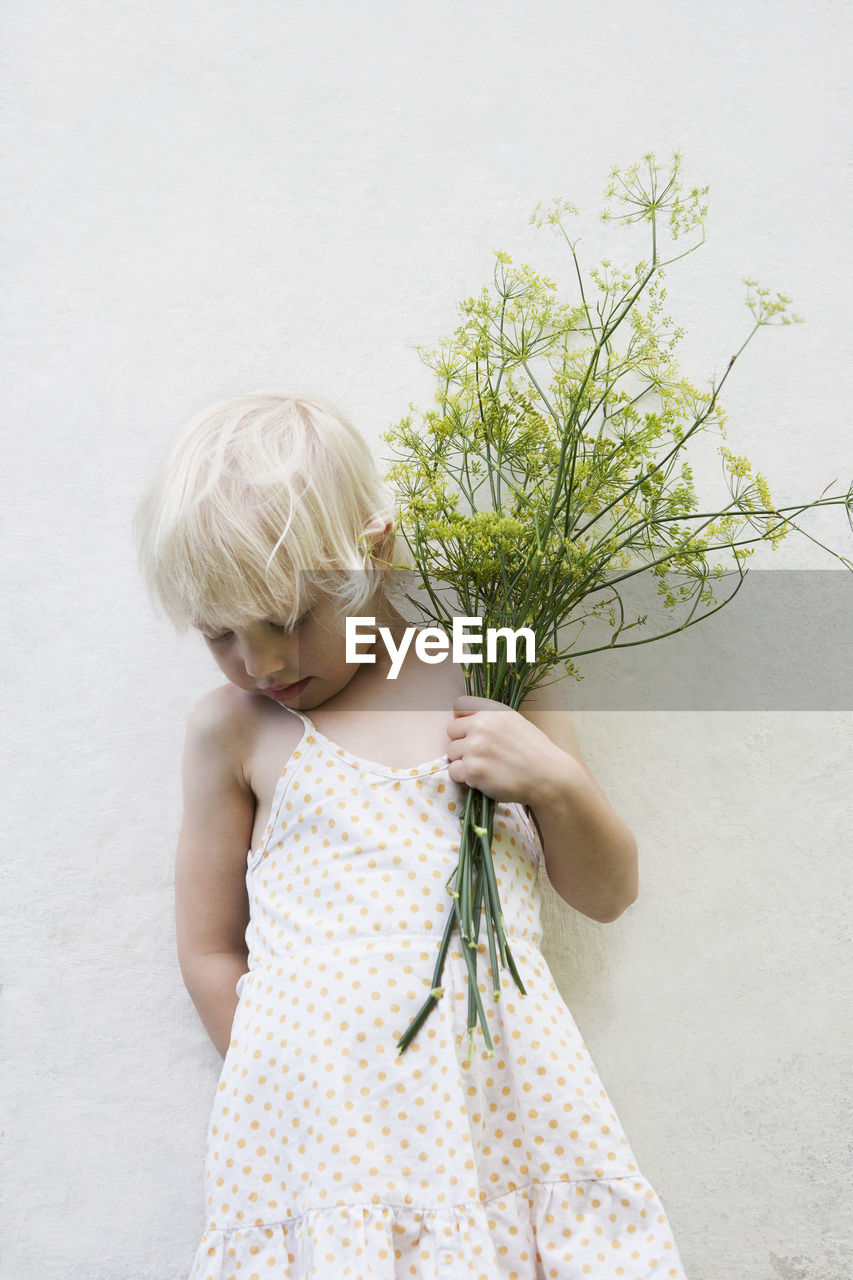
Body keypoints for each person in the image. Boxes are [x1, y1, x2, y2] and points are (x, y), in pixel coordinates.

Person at [135, 391, 688, 1279]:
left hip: (492, 1105)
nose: (263, 664)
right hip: (325, 1130)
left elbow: (606, 891)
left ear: (375, 554)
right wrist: (275, 1078)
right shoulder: (234, 730)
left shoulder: (495, 667)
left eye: (288, 620)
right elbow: (206, 947)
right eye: (221, 636)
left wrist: (548, 779)